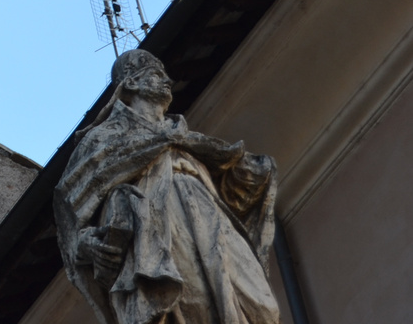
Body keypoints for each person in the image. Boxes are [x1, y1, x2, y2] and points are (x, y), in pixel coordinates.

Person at [55, 49, 280, 324]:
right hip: (161, 224)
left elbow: (228, 177)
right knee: (196, 306)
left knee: (263, 307)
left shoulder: (183, 136)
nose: (168, 81)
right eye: (156, 75)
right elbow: (72, 208)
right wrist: (85, 243)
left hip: (210, 215)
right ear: (132, 83)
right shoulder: (103, 138)